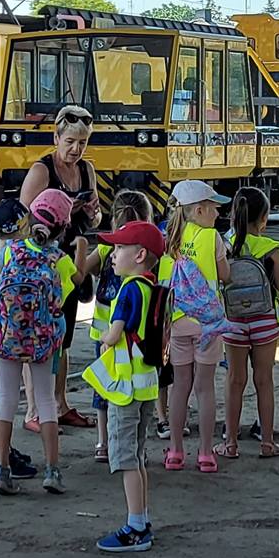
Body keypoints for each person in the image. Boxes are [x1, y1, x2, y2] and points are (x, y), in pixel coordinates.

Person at [82, 219, 167, 553]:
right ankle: (142, 519)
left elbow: (114, 334)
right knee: (139, 455)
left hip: (125, 390)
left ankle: (134, 528)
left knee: (125, 459)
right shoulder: (150, 287)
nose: (112, 255)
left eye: (119, 248)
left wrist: (104, 338)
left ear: (140, 254)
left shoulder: (128, 290)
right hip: (145, 387)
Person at [0, 190, 76, 495]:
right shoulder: (58, 258)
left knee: (7, 398)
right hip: (44, 339)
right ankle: (52, 471)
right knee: (46, 400)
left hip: (7, 337)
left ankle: (2, 470)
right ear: (62, 227)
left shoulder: (6, 253)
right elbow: (79, 290)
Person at [20, 107, 101, 431]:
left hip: (71, 260)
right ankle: (34, 410)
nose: (76, 150)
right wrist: (61, 211)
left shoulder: (87, 170)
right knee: (37, 337)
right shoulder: (42, 170)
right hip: (42, 263)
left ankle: (59, 403)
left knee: (63, 336)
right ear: (56, 138)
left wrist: (92, 213)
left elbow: (96, 219)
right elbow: (23, 220)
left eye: (82, 143)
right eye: (70, 141)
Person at [80, 190, 156, 463]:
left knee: (104, 387)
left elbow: (83, 271)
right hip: (139, 339)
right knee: (137, 396)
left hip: (105, 330)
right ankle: (138, 446)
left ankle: (103, 442)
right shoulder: (148, 259)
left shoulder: (105, 250)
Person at [161, 180, 230, 474]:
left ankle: (175, 450)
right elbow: (225, 275)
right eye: (214, 208)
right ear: (199, 210)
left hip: (177, 322)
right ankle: (205, 453)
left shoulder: (168, 238)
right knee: (204, 388)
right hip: (207, 325)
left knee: (180, 386)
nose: (217, 214)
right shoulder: (211, 237)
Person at [217, 186, 279, 460]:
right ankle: (267, 443)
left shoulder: (224, 245)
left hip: (233, 321)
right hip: (265, 322)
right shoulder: (270, 247)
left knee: (235, 380)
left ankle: (231, 444)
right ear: (264, 218)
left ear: (234, 214)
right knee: (264, 380)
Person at [0, 198, 39, 487]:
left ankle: (3, 448)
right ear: (20, 225)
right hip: (7, 338)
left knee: (1, 396)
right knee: (3, 399)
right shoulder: (13, 256)